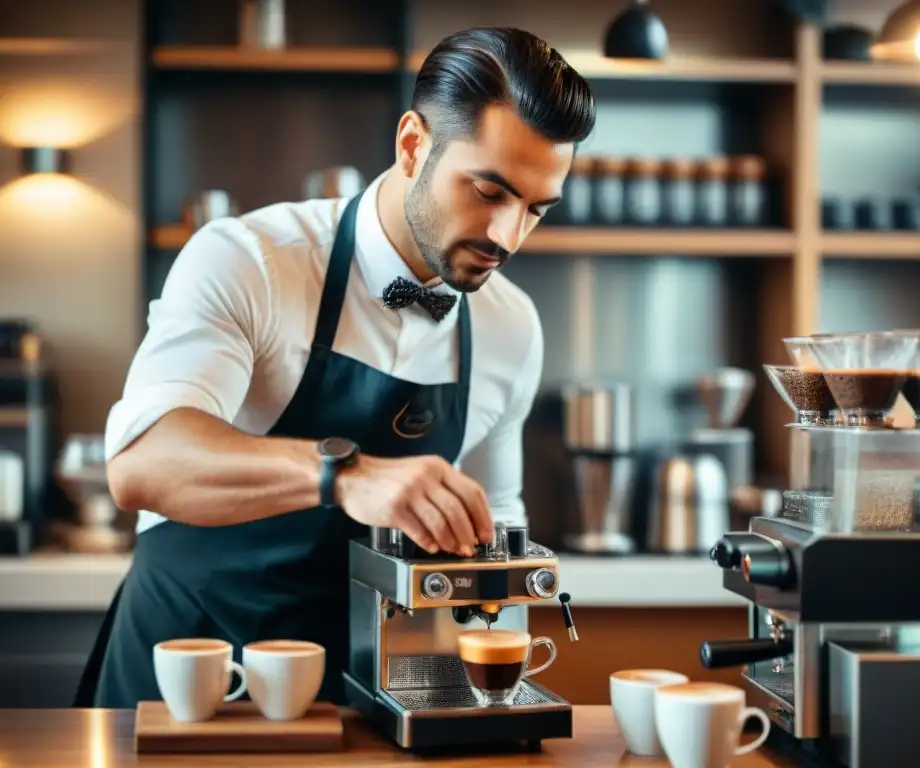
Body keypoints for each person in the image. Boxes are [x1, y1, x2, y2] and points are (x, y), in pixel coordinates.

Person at [72, 26, 596, 709]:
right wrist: (344, 474)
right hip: (181, 684)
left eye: (534, 208)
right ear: (413, 145)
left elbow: (494, 519)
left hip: (347, 699)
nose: (507, 236)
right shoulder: (250, 260)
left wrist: (500, 672)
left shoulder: (511, 326)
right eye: (488, 191)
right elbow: (142, 463)